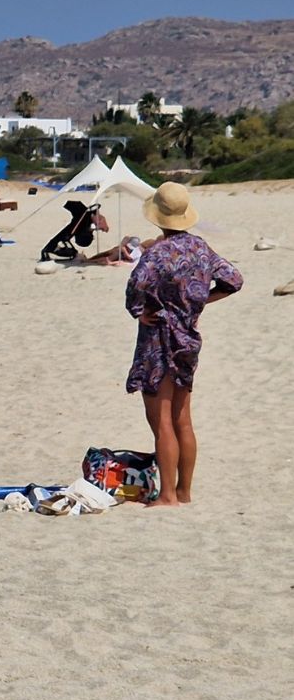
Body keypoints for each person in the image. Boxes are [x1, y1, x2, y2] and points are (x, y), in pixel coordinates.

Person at [125, 182, 243, 508]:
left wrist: (140, 312)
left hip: (158, 340)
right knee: (183, 419)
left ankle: (166, 496)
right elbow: (234, 279)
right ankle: (184, 492)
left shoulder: (157, 253)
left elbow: (135, 288)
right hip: (188, 337)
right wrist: (200, 302)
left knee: (161, 421)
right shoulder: (201, 248)